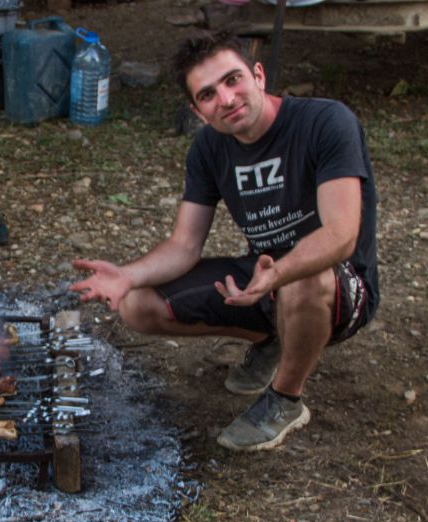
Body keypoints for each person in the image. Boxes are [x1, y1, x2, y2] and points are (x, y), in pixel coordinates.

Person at [71, 31, 379, 451]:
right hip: (264, 279)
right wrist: (127, 275)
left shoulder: (325, 122)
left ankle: (285, 399)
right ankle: (273, 339)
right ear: (198, 111)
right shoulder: (209, 149)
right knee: (138, 304)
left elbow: (341, 235)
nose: (227, 99)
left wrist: (281, 273)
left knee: (302, 278)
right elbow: (184, 245)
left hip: (339, 285)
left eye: (233, 80)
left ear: (258, 75)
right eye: (208, 95)